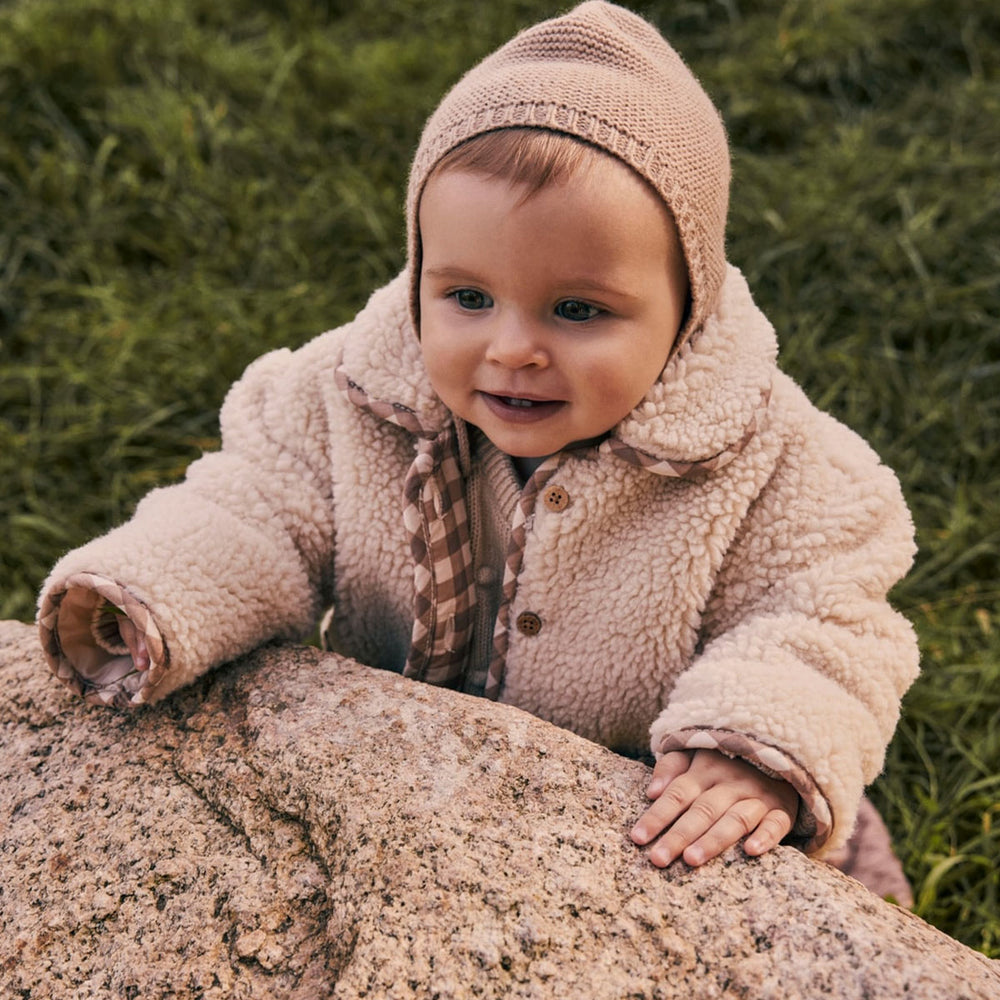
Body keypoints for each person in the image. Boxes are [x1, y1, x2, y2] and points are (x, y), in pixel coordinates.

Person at [37, 1, 919, 880]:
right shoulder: (342, 397)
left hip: (651, 819)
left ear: (690, 308)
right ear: (419, 272)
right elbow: (255, 506)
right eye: (466, 297)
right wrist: (159, 588)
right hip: (406, 786)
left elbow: (820, 624)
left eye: (578, 310)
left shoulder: (782, 468)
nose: (511, 348)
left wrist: (753, 743)